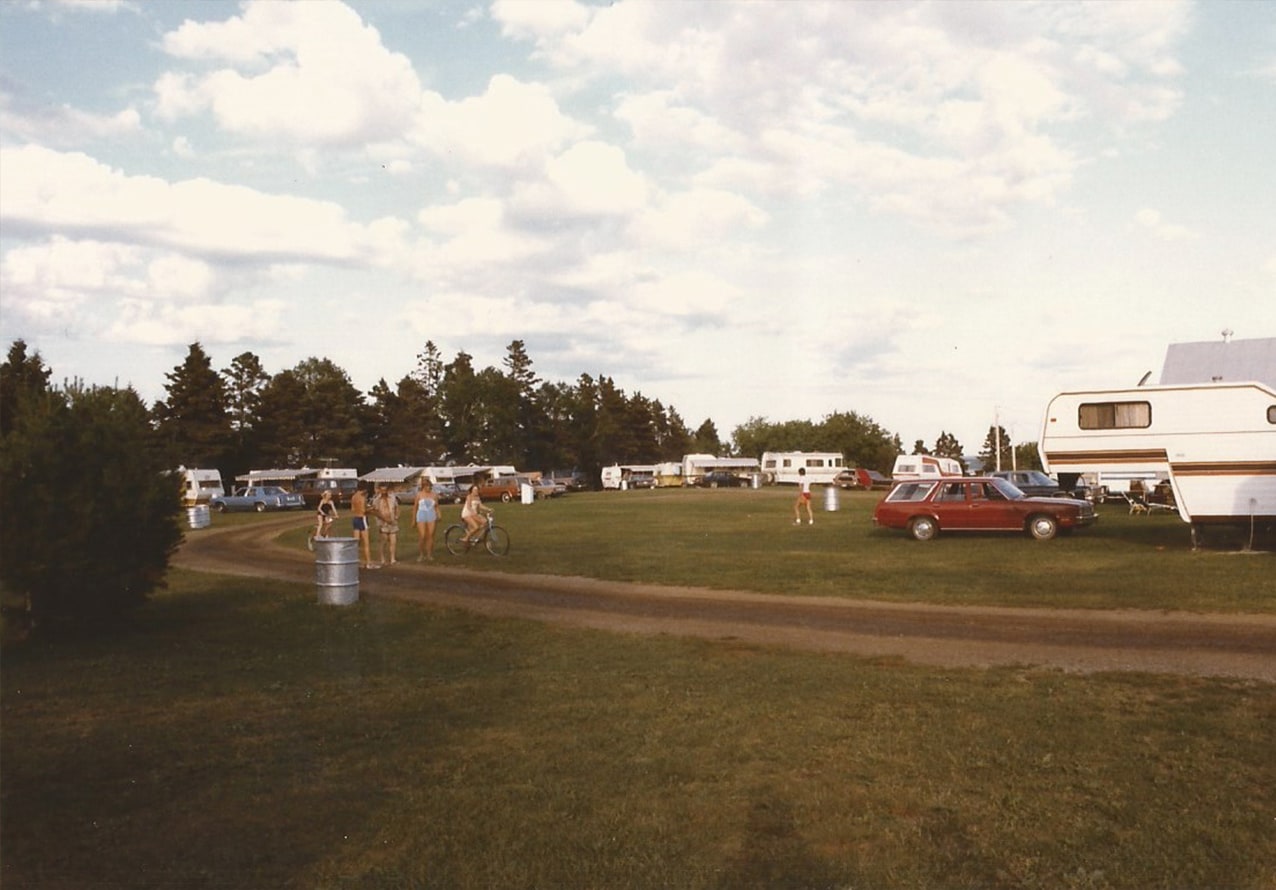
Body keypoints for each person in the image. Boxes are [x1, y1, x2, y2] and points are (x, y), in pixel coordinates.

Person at [350, 484, 377, 568]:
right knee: (366, 542)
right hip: (362, 519)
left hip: (355, 518)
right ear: (364, 489)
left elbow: (352, 509)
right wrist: (371, 509)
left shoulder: (353, 497)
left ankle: (355, 560)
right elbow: (363, 510)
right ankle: (368, 562)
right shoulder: (362, 498)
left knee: (356, 542)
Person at [413, 477, 439, 562]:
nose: (429, 488)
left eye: (430, 486)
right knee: (422, 535)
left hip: (431, 514)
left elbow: (436, 506)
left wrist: (439, 514)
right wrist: (413, 519)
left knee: (430, 535)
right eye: (427, 486)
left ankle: (429, 554)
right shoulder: (419, 495)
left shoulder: (434, 495)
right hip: (421, 515)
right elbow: (415, 507)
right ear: (423, 487)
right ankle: (421, 554)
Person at [374, 484, 399, 565]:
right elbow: (376, 512)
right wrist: (385, 519)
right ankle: (382, 559)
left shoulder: (392, 498)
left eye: (385, 490)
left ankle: (392, 558)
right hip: (383, 523)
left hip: (392, 522)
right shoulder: (377, 500)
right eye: (382, 490)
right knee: (383, 541)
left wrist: (396, 516)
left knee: (393, 541)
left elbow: (396, 508)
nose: (384, 492)